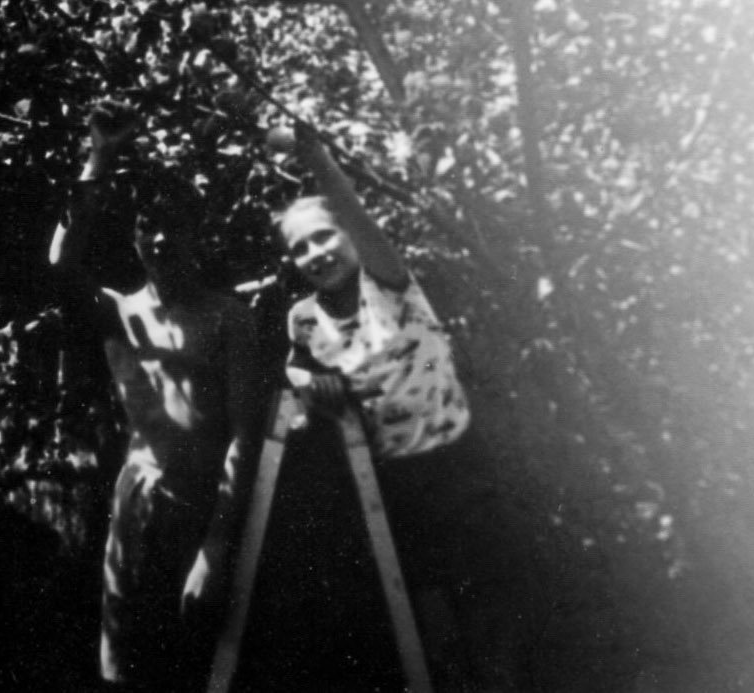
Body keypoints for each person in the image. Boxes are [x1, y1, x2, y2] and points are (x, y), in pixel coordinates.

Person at [276, 122, 513, 691]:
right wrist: (305, 380)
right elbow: (292, 367)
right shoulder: (304, 318)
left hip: (460, 467)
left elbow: (360, 218)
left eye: (324, 236)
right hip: (394, 484)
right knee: (429, 623)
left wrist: (318, 160)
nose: (315, 253)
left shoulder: (389, 283)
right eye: (299, 247)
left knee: (493, 615)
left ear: (351, 237)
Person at [50, 101, 262, 692]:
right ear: (135, 235)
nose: (162, 237)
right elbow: (60, 266)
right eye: (149, 225)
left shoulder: (229, 318)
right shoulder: (120, 314)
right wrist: (99, 157)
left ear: (197, 232)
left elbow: (245, 438)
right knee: (122, 669)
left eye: (176, 224)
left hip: (204, 512)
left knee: (197, 664)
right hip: (138, 505)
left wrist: (215, 553)